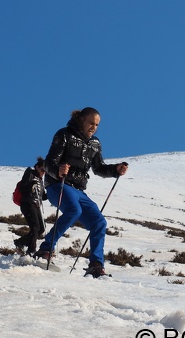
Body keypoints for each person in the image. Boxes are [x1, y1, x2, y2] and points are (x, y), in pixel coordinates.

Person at [34, 107, 128, 278]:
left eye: (97, 125)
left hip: (78, 190)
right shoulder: (64, 135)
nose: (94, 127)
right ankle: (45, 250)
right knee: (74, 210)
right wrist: (59, 170)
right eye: (91, 123)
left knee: (99, 222)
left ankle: (96, 265)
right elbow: (48, 163)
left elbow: (98, 168)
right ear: (81, 120)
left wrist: (116, 170)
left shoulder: (95, 143)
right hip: (58, 185)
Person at [14, 157, 47, 255]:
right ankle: (31, 250)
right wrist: (31, 184)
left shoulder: (41, 179)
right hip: (27, 203)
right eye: (42, 170)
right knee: (35, 227)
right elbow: (23, 187)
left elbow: (43, 196)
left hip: (36, 205)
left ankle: (20, 242)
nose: (43, 172)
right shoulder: (30, 173)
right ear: (37, 167)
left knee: (41, 228)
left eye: (45, 171)